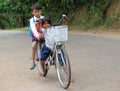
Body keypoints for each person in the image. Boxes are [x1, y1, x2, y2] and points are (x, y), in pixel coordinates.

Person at [29, 4, 44, 70]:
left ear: (40, 11)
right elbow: (34, 30)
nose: (37, 13)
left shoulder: (43, 18)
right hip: (35, 34)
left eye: (38, 11)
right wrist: (37, 36)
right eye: (35, 12)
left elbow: (46, 26)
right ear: (33, 12)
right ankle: (33, 62)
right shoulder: (32, 20)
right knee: (33, 45)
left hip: (42, 33)